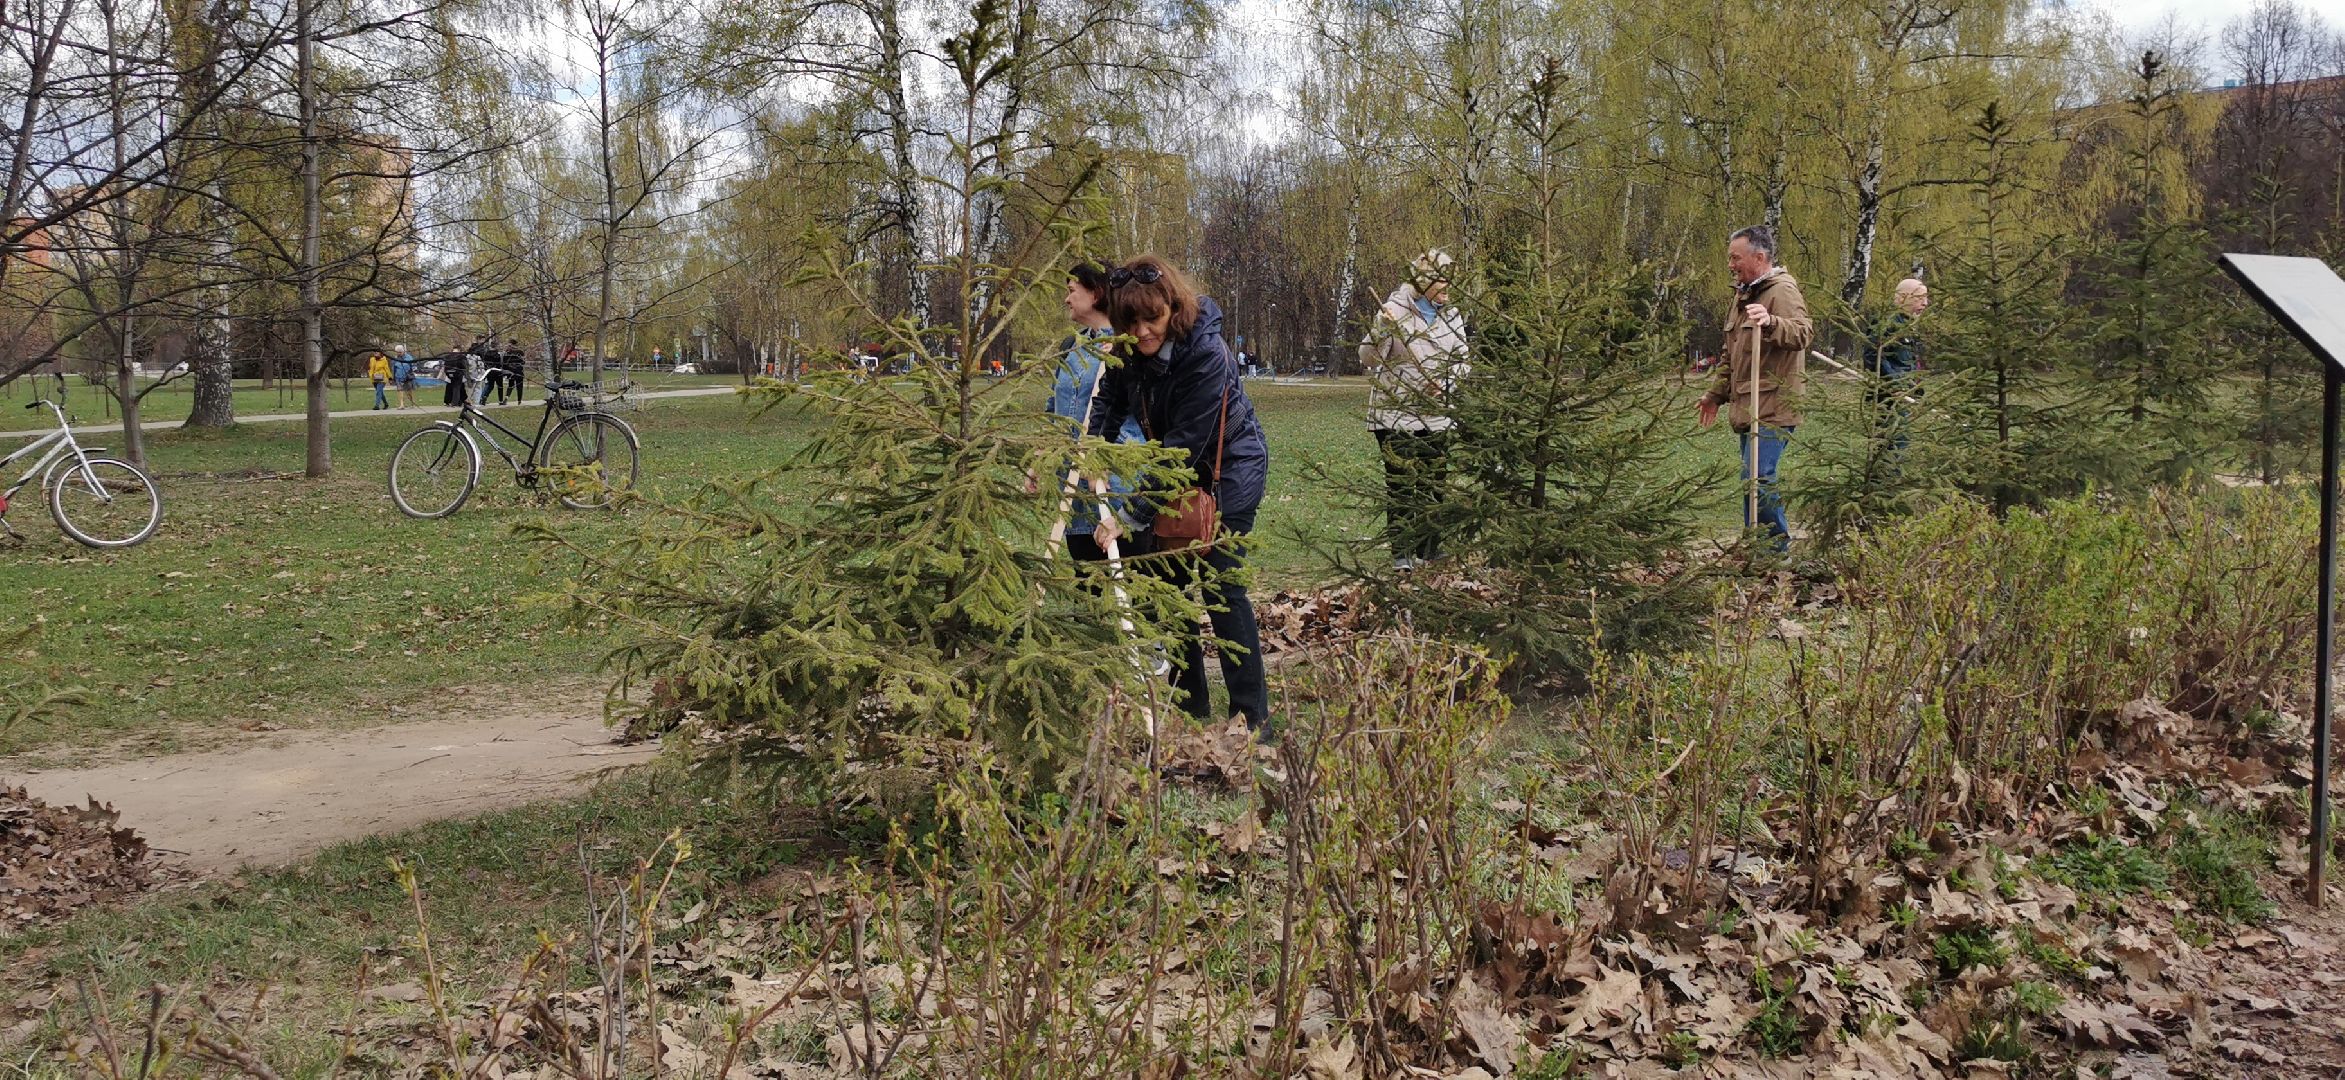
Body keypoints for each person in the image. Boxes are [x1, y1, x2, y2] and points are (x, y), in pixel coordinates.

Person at [1088, 254, 1273, 737]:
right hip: (1178, 470)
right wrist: (1097, 449)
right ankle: (1189, 705)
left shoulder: (1207, 355)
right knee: (1165, 585)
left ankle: (1252, 718)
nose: (1144, 332)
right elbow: (1109, 395)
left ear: (1174, 307)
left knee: (1220, 584)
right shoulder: (1130, 349)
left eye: (1153, 319)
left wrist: (1128, 517)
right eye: (1132, 323)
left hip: (1229, 467)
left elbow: (1184, 448)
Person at [1698, 225, 1812, 552]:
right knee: (1751, 481)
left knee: (1760, 477)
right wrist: (1715, 395)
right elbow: (1729, 355)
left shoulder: (1782, 291)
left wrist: (1773, 323)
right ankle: (1755, 547)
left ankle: (1776, 551)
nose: (1730, 264)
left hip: (1775, 405)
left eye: (1736, 258)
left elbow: (1803, 333)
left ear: (1759, 257)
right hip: (1749, 406)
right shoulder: (1742, 296)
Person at [1361, 249, 1467, 570]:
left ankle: (1430, 549)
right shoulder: (1392, 310)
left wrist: (1446, 383)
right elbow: (1367, 357)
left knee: (1434, 483)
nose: (1447, 285)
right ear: (1422, 283)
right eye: (1440, 279)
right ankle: (1402, 553)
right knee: (1402, 484)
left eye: (1449, 278)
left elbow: (1463, 360)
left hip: (1436, 414)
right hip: (1396, 416)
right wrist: (1382, 331)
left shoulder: (1452, 315)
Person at [1051, 261, 1148, 562]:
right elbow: (1052, 409)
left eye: (1071, 290)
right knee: (1086, 584)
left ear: (1094, 293)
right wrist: (1042, 457)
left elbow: (1148, 409)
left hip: (1118, 487)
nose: (1067, 299)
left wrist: (1123, 362)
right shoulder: (1071, 346)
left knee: (1130, 584)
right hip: (1074, 493)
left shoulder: (1130, 344)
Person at [1864, 278, 1928, 456]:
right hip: (1886, 399)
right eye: (1919, 298)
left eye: (1926, 298)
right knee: (1889, 446)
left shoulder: (1909, 326)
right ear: (1900, 299)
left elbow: (1911, 362)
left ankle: (1893, 480)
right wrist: (1894, 385)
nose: (1924, 303)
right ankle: (1884, 480)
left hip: (1903, 397)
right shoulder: (1886, 323)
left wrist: (1917, 390)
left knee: (1900, 443)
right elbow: (1873, 355)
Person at [440, 340, 472, 407]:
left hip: (448, 373)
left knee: (451, 386)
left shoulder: (448, 356)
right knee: (456, 387)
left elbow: (445, 365)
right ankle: (454, 403)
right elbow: (465, 366)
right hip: (458, 373)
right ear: (459, 349)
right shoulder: (461, 356)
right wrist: (467, 376)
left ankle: (449, 401)